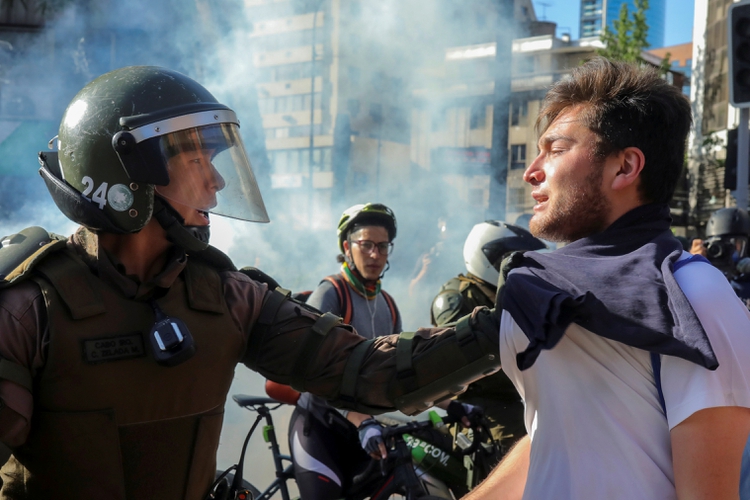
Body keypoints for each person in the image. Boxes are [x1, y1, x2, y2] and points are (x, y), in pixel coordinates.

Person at [0, 66, 503, 500]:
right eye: (196, 160)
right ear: (124, 178)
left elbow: (368, 370)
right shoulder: (29, 309)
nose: (217, 183)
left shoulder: (226, 295)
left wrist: (503, 328)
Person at [466, 58, 750, 499]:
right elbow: (557, 434)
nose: (532, 170)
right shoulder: (541, 289)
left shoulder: (692, 294)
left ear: (625, 167)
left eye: (556, 149)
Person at [288, 203, 401, 499]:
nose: (375, 254)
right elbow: (311, 372)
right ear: (346, 247)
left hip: (364, 432)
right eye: (366, 245)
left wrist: (448, 402)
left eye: (382, 246)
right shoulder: (330, 294)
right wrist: (357, 417)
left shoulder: (389, 305)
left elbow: (400, 370)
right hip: (320, 428)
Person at [430, 220, 545, 455]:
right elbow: (453, 359)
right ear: (488, 259)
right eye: (510, 258)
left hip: (517, 396)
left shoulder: (506, 294)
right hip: (479, 405)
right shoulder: (457, 299)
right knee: (520, 452)